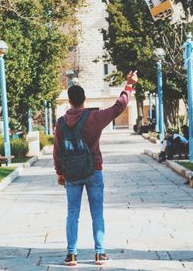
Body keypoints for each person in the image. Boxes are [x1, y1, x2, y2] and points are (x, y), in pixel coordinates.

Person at [53, 71, 138, 266]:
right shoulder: (94, 117)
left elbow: (57, 151)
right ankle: (100, 253)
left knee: (72, 212)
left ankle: (71, 255)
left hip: (71, 174)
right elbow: (119, 107)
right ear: (84, 99)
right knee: (97, 212)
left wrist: (60, 172)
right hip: (93, 170)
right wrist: (129, 85)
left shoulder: (61, 123)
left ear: (69, 101)